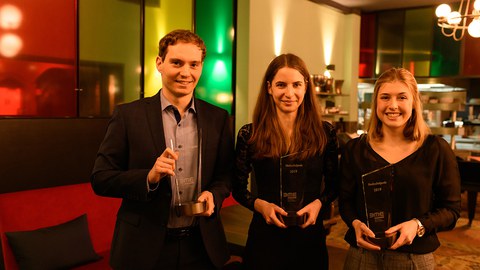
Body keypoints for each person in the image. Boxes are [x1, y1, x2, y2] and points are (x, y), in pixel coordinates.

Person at [91, 29, 235, 270]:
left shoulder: (218, 118)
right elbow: (100, 178)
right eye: (176, 62)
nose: (186, 72)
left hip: (201, 246)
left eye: (194, 64)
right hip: (143, 248)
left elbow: (225, 176)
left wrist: (214, 195)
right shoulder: (128, 116)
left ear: (201, 67)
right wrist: (149, 176)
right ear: (160, 63)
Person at [338, 67, 461, 269]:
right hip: (362, 257)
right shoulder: (356, 149)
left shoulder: (436, 150)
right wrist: (354, 223)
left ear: (414, 102)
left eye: (401, 97)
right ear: (376, 102)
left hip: (413, 259)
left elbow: (451, 210)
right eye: (385, 97)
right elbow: (346, 201)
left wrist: (418, 226)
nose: (392, 105)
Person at [233, 53, 339, 269]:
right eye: (281, 85)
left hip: (309, 237)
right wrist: (260, 206)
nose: (289, 93)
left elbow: (334, 185)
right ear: (269, 87)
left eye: (296, 85)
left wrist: (318, 204)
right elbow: (237, 187)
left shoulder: (325, 133)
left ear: (306, 87)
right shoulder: (249, 134)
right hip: (266, 237)